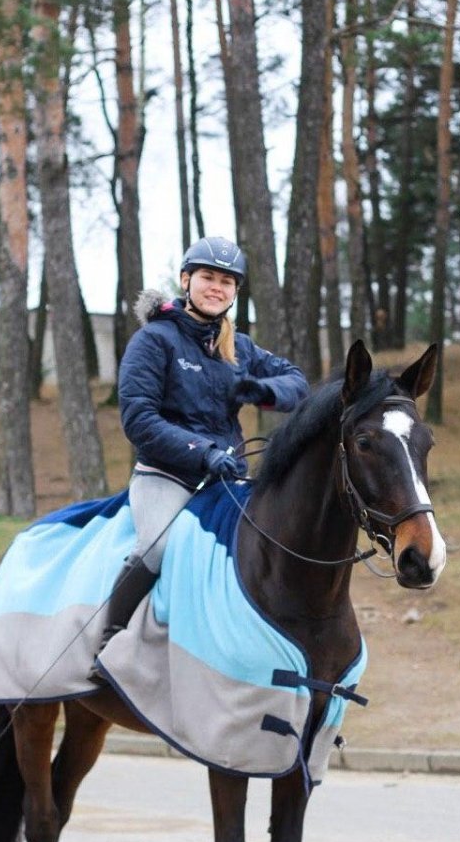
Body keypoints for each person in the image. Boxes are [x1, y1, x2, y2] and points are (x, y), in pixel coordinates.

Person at [93, 235, 309, 666]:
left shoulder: (240, 347)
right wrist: (203, 452)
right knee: (155, 548)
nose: (217, 287)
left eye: (228, 282)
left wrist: (260, 390)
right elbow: (139, 420)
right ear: (186, 279)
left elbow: (298, 383)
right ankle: (108, 644)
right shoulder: (154, 341)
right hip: (167, 475)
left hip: (226, 477)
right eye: (208, 277)